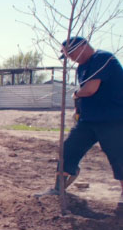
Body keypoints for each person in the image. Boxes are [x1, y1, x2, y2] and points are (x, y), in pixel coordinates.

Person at [44, 37, 123, 208]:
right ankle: (59, 188)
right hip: (89, 120)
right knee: (69, 149)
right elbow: (84, 92)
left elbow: (90, 89)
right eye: (67, 56)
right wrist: (78, 109)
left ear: (83, 46)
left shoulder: (102, 59)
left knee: (118, 157)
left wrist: (76, 95)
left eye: (71, 53)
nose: (71, 58)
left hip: (113, 120)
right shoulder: (82, 68)